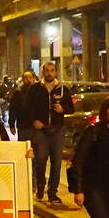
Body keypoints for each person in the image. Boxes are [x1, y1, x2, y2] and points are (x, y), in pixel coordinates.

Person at [24, 61, 75, 205]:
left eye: (52, 70)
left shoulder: (63, 89)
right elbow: (27, 108)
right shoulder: (35, 89)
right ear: (42, 72)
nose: (49, 73)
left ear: (56, 72)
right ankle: (41, 185)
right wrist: (34, 120)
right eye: (46, 70)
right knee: (40, 159)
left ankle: (53, 192)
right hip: (41, 130)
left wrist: (62, 109)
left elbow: (71, 108)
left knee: (57, 161)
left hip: (57, 129)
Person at [8, 70, 37, 140]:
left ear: (33, 78)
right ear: (23, 79)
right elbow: (13, 109)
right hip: (23, 126)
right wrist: (12, 124)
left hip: (36, 126)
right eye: (26, 78)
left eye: (30, 77)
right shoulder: (18, 92)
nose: (28, 80)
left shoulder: (38, 91)